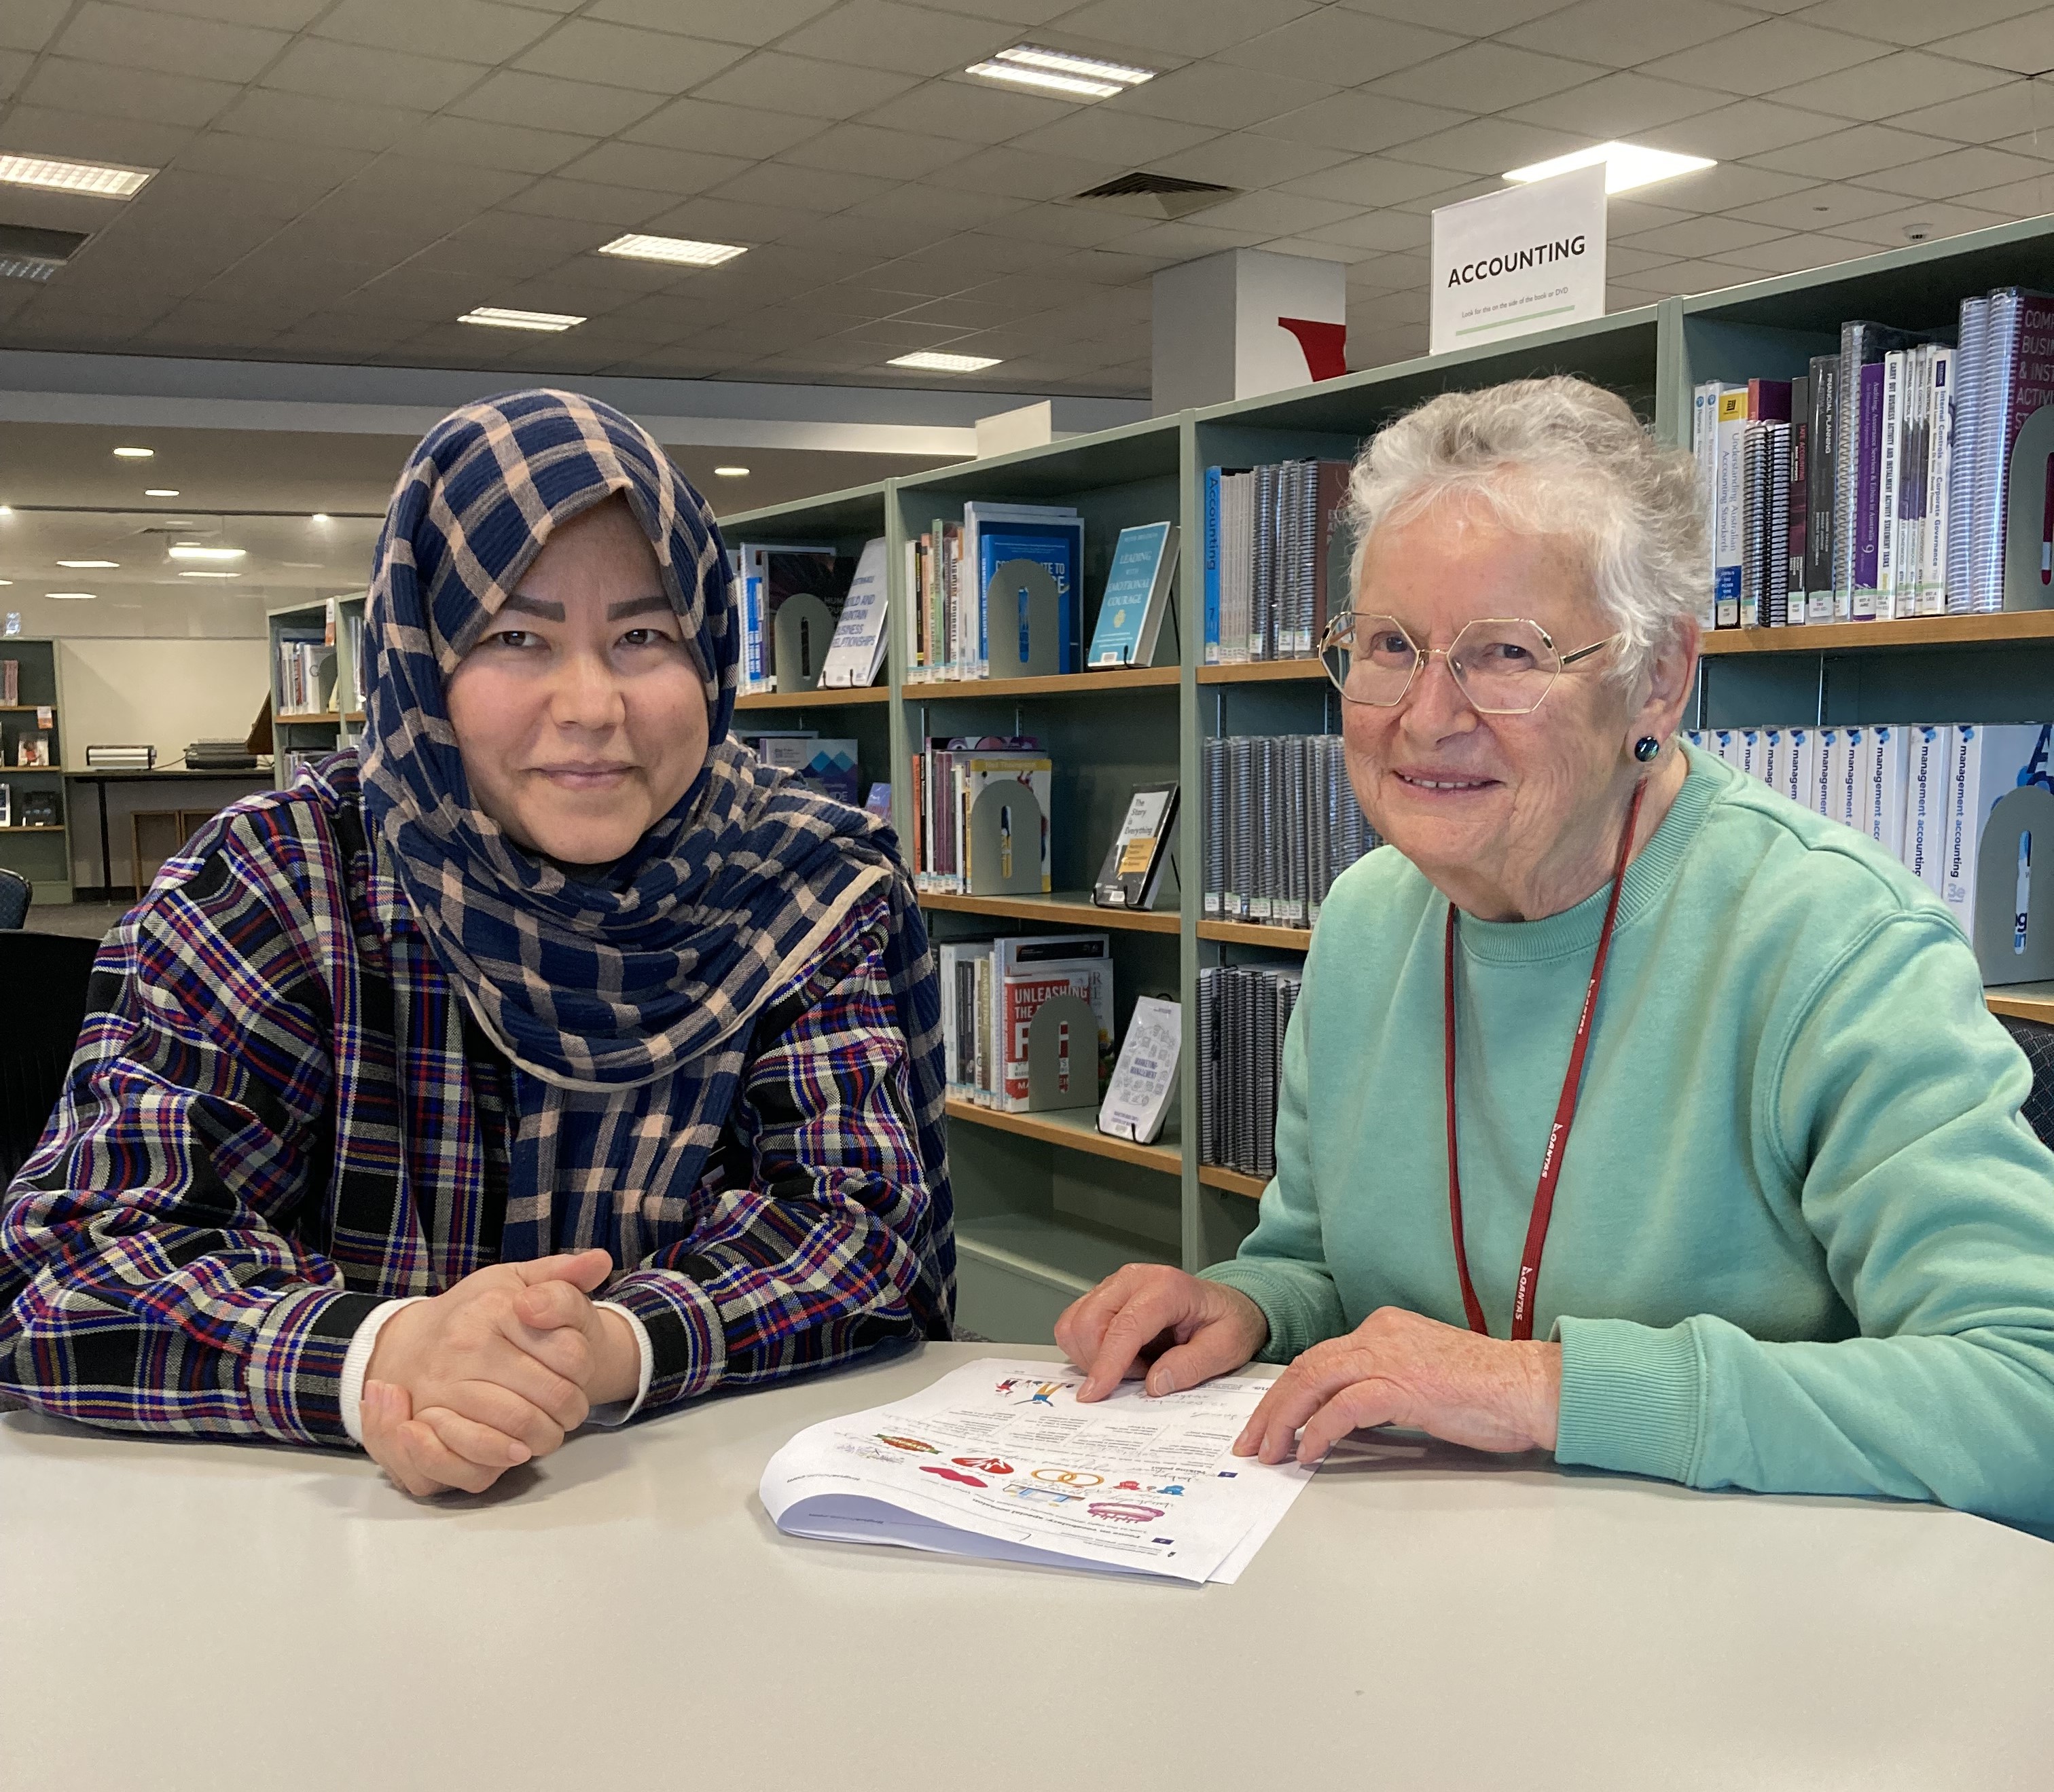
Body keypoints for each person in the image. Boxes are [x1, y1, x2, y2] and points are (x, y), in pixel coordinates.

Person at [1059, 376, 2054, 1530]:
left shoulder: (1833, 946)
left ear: (1659, 677)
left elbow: (2028, 1393)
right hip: (1430, 1595)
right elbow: (1327, 1267)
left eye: (1507, 654)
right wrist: (1245, 1306)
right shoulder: (1369, 920)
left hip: (1748, 1636)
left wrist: (1552, 1391)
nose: (1427, 716)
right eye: (1388, 644)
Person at [1, 388, 952, 1497]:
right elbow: (73, 1266)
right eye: (516, 637)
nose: (593, 703)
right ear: (420, 663)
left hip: (693, 1537)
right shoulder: (274, 881)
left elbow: (860, 1238)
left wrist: (602, 1347)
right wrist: (383, 1356)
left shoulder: (817, 886)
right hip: (309, 1554)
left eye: (644, 636)